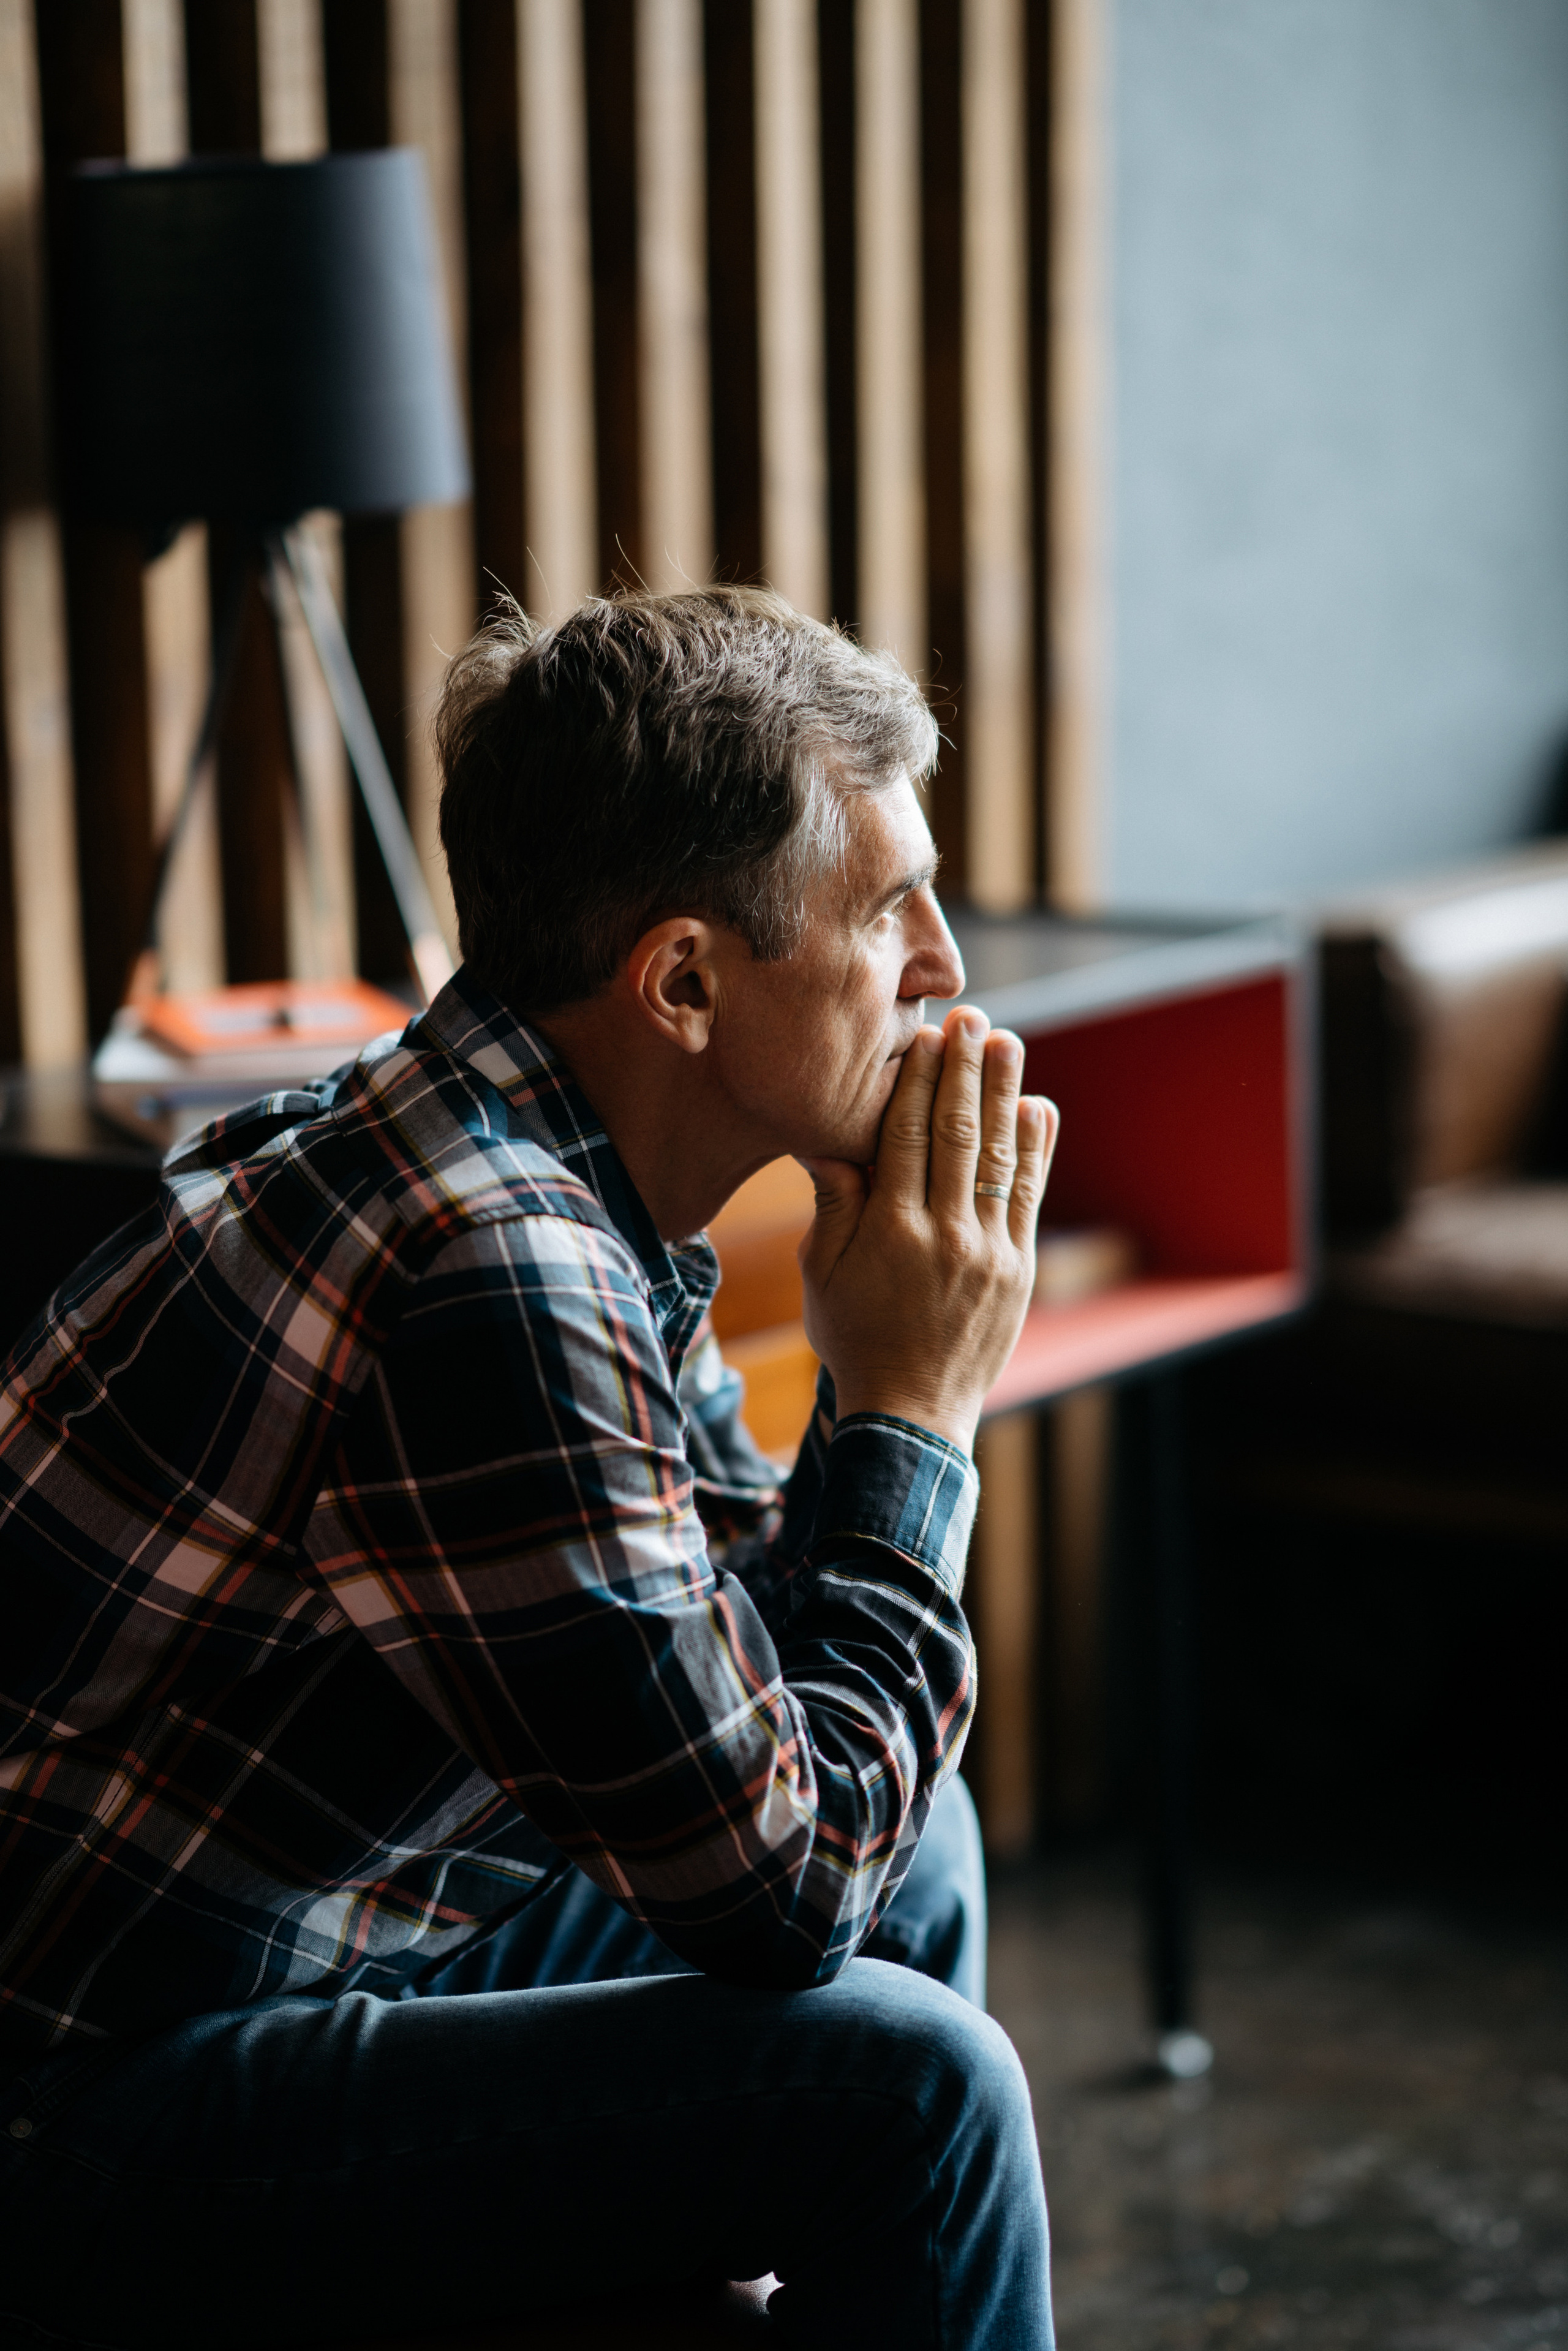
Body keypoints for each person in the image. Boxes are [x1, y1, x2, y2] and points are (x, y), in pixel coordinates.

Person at [0, 589, 1059, 2350]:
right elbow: (784, 1890)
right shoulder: (495, 1267)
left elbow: (759, 1706)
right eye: (888, 910)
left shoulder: (519, 1160)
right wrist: (913, 1410)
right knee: (911, 2093)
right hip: (87, 2109)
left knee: (924, 1850)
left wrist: (887, 1377)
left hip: (272, 1946)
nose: (944, 965)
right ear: (687, 982)